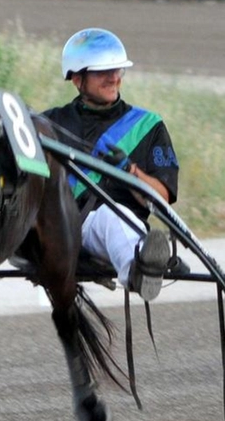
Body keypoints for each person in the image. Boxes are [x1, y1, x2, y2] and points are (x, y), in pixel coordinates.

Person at [44, 28, 184, 301]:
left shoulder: (148, 127)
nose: (114, 78)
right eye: (102, 72)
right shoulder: (49, 125)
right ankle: (140, 263)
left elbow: (162, 199)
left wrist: (130, 171)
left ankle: (138, 270)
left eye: (117, 70)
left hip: (122, 224)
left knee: (112, 217)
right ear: (76, 78)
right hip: (63, 228)